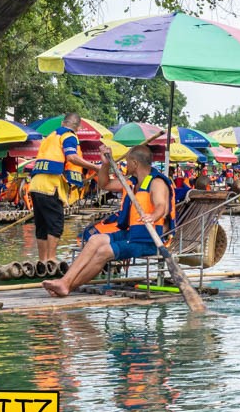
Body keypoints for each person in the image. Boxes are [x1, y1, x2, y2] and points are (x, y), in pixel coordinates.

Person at [42, 145, 172, 297]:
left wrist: (152, 216)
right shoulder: (131, 182)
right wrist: (105, 164)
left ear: (135, 163)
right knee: (95, 240)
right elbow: (105, 184)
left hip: (149, 240)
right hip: (131, 234)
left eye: (127, 162)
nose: (125, 165)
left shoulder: (157, 183)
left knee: (104, 251)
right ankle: (65, 281)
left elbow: (161, 206)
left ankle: (67, 286)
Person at [26, 111, 101, 265]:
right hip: (50, 185)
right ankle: (51, 260)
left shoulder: (51, 136)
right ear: (78, 127)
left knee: (42, 225)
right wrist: (95, 167)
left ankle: (43, 260)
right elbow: (72, 157)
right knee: (56, 223)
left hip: (35, 184)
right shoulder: (69, 136)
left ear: (62, 123)